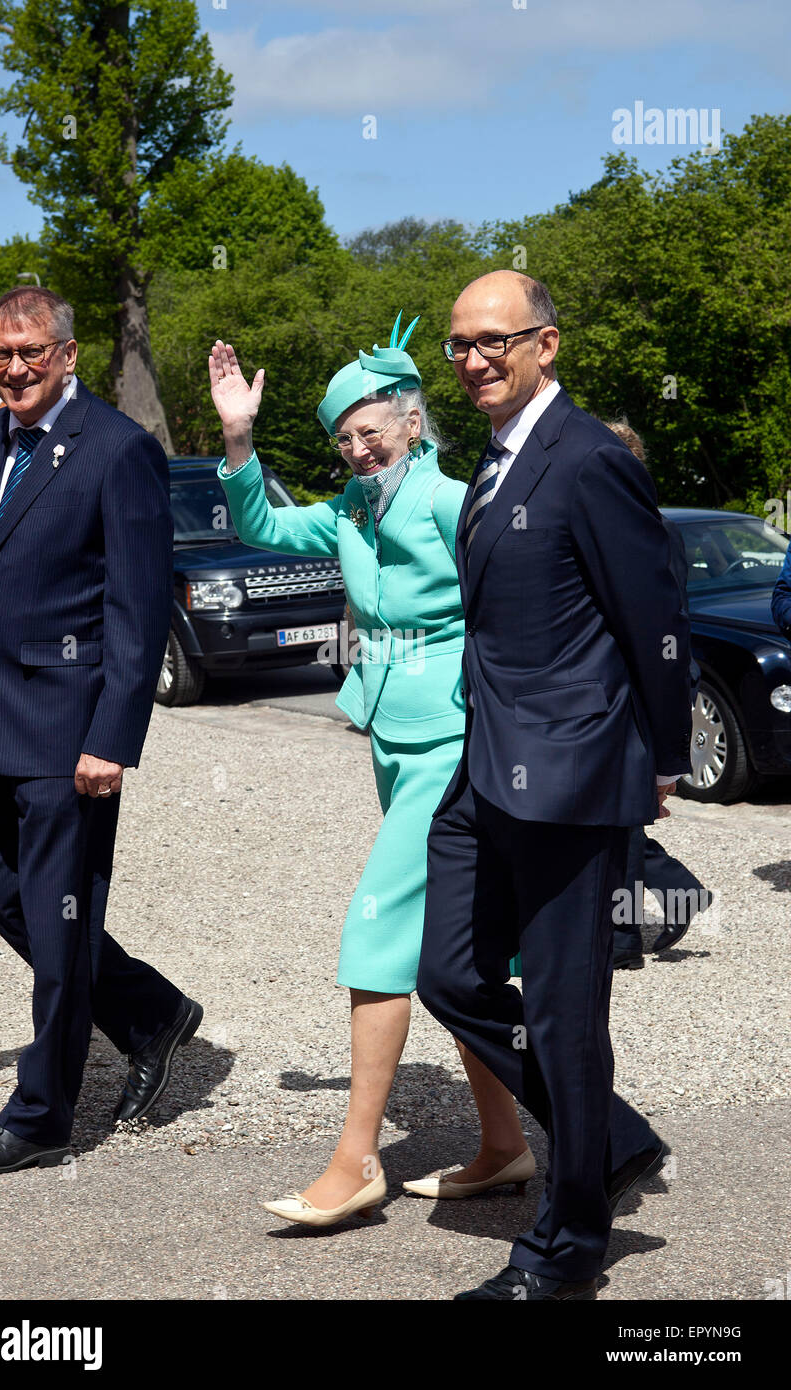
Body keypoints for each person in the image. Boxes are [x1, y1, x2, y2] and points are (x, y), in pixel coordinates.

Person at [209, 315, 532, 1228]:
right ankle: (504, 1144)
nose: (357, 449)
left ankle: (356, 1163)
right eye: (344, 438)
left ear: (413, 425)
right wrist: (238, 438)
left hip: (457, 738)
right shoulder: (352, 508)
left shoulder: (451, 500)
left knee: (378, 925)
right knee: (462, 948)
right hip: (393, 737)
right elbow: (261, 523)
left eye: (371, 432)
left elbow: (521, 599)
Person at [416, 271, 694, 1300]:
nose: (473, 359)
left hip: (572, 776)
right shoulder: (496, 462)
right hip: (485, 770)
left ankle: (569, 1244)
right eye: (459, 344)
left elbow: (654, 618)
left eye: (494, 339)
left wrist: (662, 757)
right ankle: (607, 1139)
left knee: (568, 1014)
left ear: (547, 344)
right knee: (449, 973)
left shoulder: (587, 459)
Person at [0, 286, 202, 1175]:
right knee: (0, 898)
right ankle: (149, 1012)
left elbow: (138, 608)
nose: (15, 367)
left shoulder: (118, 450)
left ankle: (40, 1117)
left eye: (32, 352)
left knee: (59, 929)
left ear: (67, 354)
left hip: (68, 736)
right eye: (2, 352)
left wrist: (111, 739)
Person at [602, 419, 711, 968]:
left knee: (620, 816)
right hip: (619, 688)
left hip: (638, 689)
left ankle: (623, 939)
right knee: (608, 815)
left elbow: (667, 622)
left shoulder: (651, 530)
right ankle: (673, 889)